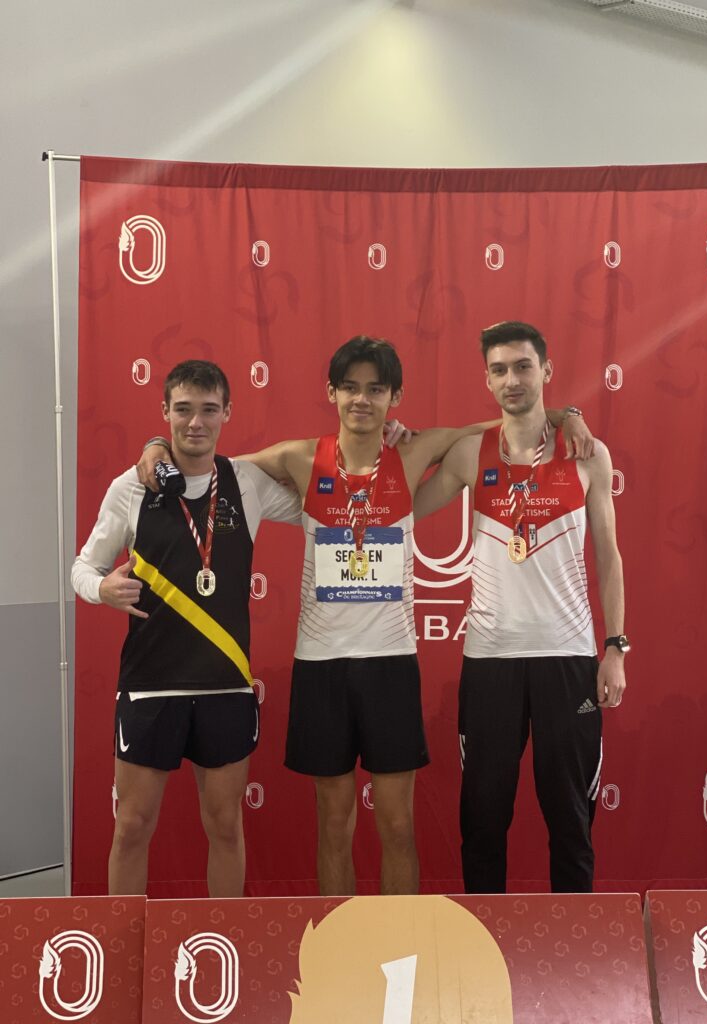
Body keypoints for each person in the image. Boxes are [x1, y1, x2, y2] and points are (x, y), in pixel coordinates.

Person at [138, 336, 593, 896]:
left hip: (391, 666)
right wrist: (159, 444)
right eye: (349, 388)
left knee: (398, 824)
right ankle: (340, 945)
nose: (361, 400)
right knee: (334, 823)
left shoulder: (414, 453)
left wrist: (567, 415)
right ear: (331, 392)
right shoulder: (299, 458)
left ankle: (396, 951)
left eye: (375, 389)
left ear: (393, 396)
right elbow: (212, 467)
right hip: (321, 668)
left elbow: (503, 422)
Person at [71, 360, 302, 897]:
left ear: (227, 413)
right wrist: (100, 589)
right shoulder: (130, 486)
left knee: (224, 828)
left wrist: (379, 443)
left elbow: (324, 491)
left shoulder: (245, 481)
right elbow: (83, 565)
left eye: (208, 410)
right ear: (164, 412)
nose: (195, 422)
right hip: (150, 686)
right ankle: (126, 951)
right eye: (182, 410)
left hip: (225, 686)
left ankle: (223, 943)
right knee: (131, 828)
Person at [414, 321, 628, 894]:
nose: (513, 379)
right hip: (491, 662)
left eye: (524, 367)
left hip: (568, 657)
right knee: (483, 820)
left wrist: (615, 648)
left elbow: (608, 558)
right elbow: (401, 506)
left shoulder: (587, 453)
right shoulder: (469, 453)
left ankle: (573, 958)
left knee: (572, 821)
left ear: (547, 371)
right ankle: (484, 951)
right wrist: (397, 443)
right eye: (500, 370)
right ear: (486, 378)